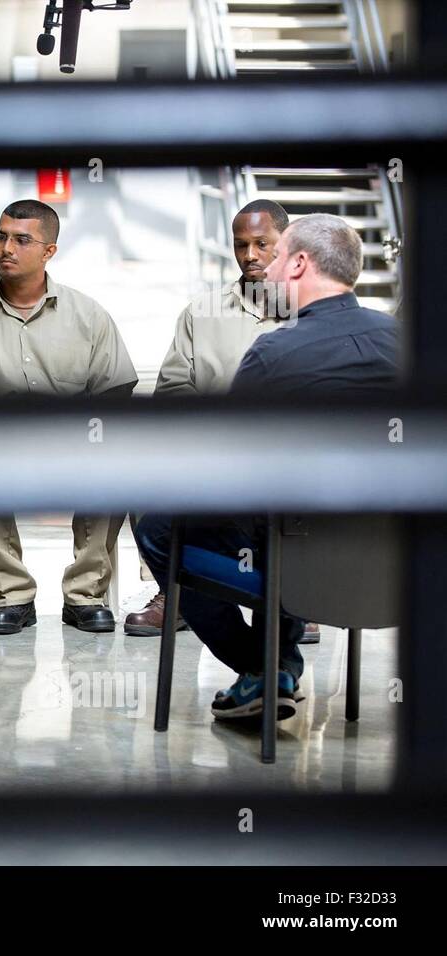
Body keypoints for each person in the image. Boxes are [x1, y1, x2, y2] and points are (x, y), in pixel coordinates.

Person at [134, 214, 399, 721]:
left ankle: (266, 668)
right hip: (395, 563)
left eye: (277, 256)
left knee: (160, 528)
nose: (268, 265)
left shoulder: (276, 351)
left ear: (299, 263)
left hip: (296, 551)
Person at [0, 200, 137, 636]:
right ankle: (11, 595)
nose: (6, 248)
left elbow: (114, 393)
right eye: (0, 236)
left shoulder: (88, 316)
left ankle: (85, 595)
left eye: (21, 239)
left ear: (49, 252)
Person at [126, 199, 292, 637]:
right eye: (241, 246)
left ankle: (295, 596)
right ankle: (177, 592)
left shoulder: (308, 313)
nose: (250, 255)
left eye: (262, 244)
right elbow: (175, 388)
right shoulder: (203, 312)